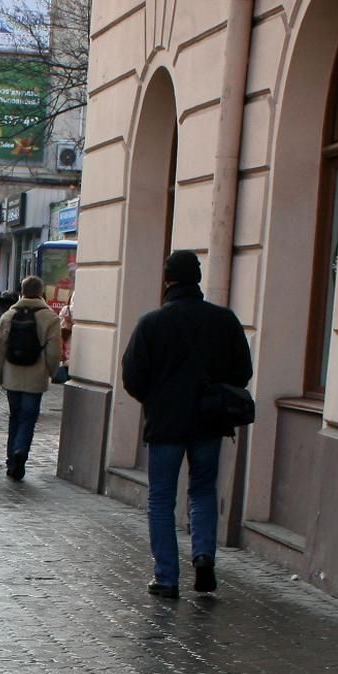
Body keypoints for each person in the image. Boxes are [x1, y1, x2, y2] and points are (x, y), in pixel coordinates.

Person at [121, 249, 254, 598]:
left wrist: (156, 398)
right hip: (209, 421)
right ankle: (204, 558)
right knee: (203, 490)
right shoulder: (223, 320)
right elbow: (243, 371)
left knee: (162, 498)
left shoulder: (151, 323)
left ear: (167, 280)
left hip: (165, 423)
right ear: (197, 279)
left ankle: (166, 577)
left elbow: (133, 376)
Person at [0, 275, 64, 482]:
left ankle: (11, 460)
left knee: (15, 417)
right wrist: (52, 372)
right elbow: (54, 352)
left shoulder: (8, 316)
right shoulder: (51, 318)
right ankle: (20, 452)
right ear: (41, 293)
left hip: (12, 376)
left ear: (21, 291)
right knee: (28, 418)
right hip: (35, 378)